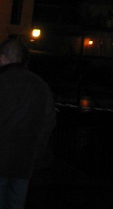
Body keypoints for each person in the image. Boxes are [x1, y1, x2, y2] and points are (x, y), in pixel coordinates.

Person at [0, 38, 56, 209]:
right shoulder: (39, 85)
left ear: (3, 58)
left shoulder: (3, 82)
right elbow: (49, 121)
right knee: (17, 201)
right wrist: (37, 150)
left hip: (1, 157)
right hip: (25, 160)